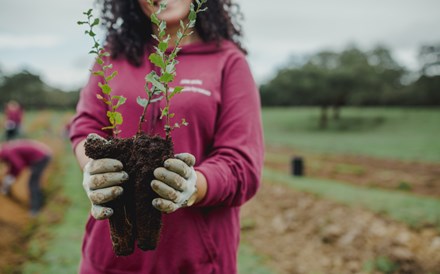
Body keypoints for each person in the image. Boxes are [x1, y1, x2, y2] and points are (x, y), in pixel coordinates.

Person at [69, 0, 264, 273]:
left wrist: (194, 184)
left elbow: (242, 163)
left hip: (196, 262)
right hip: (110, 260)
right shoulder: (111, 56)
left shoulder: (227, 61)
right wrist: (92, 168)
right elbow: (86, 127)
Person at [0, 139, 52, 216]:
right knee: (33, 182)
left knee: (33, 183)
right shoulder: (6, 149)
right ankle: (39, 202)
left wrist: (11, 177)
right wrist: (10, 173)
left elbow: (19, 165)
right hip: (42, 154)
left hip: (41, 157)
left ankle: (36, 209)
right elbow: (15, 164)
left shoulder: (7, 153)